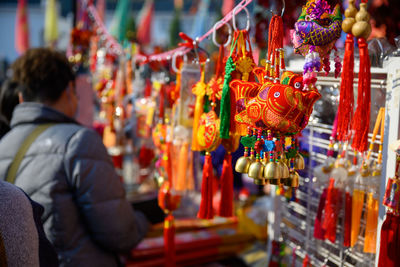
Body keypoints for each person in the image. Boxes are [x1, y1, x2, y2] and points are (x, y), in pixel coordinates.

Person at [0, 48, 149, 267]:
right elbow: (120, 232)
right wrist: (146, 220)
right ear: (70, 89)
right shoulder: (79, 141)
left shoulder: (3, 145)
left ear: (22, 97)